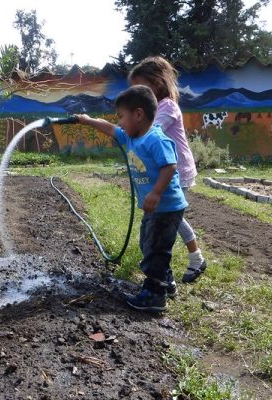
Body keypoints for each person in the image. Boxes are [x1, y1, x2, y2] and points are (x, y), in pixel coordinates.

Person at [75, 85, 187, 312]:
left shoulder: (155, 139)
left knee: (156, 249)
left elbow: (170, 166)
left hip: (166, 207)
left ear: (138, 114)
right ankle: (166, 282)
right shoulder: (129, 138)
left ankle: (155, 296)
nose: (120, 122)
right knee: (150, 244)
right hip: (154, 208)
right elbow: (108, 128)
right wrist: (87, 120)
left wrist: (156, 192)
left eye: (121, 117)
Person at [128, 56, 207, 285]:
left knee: (167, 218)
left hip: (177, 170)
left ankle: (188, 263)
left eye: (140, 87)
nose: (137, 92)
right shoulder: (153, 108)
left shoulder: (167, 107)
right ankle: (182, 266)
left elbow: (150, 132)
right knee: (168, 218)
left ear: (157, 83)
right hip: (162, 171)